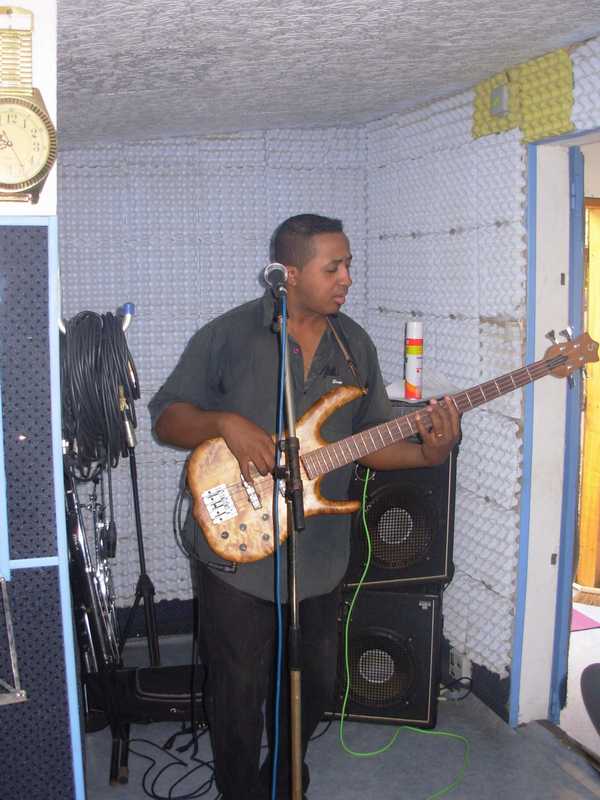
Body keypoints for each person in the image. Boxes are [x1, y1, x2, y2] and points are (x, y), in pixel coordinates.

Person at [149, 214, 460, 800]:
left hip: (318, 558)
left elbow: (370, 441)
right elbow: (167, 418)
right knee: (237, 692)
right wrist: (223, 423)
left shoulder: (354, 344)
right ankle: (239, 789)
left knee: (314, 684)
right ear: (288, 274)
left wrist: (428, 453)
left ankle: (286, 776)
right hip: (234, 553)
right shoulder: (229, 335)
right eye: (332, 267)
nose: (347, 278)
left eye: (348, 265)